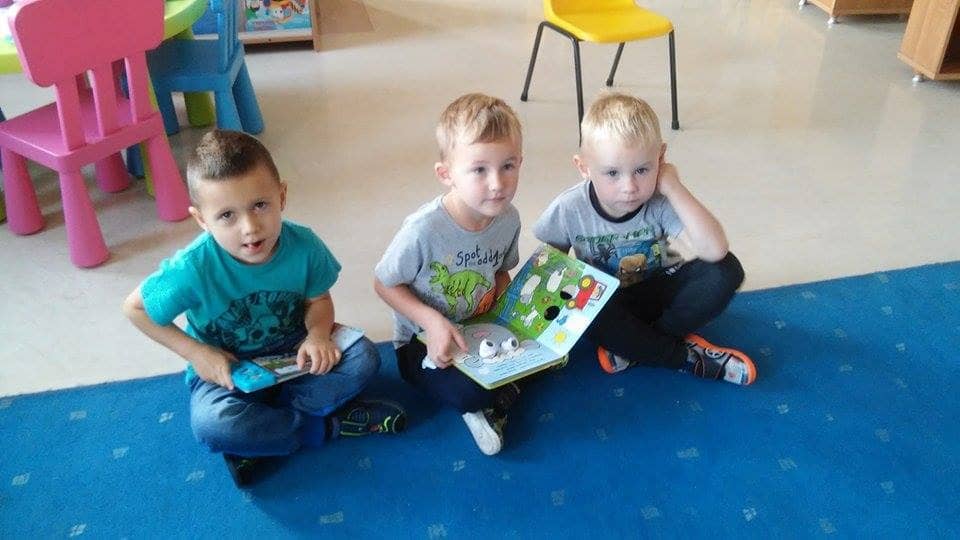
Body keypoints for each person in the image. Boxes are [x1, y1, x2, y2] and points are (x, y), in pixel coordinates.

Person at [123, 130, 405, 487]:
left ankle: (261, 437)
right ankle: (327, 426)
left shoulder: (304, 245)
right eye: (227, 215)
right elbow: (135, 309)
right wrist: (197, 353)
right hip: (228, 366)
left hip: (294, 349)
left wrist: (318, 335)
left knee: (364, 357)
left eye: (260, 205)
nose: (250, 227)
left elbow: (318, 300)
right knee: (212, 424)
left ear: (281, 196)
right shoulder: (192, 267)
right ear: (201, 220)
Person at [533, 92, 756, 385]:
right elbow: (549, 268)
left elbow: (714, 250)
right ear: (583, 167)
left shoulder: (660, 201)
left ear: (660, 158)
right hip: (607, 303)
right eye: (612, 173)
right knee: (579, 307)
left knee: (726, 270)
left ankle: (639, 346)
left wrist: (674, 187)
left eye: (642, 170)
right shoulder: (569, 208)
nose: (630, 187)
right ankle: (682, 357)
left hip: (658, 293)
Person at [374, 93, 524, 455]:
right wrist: (432, 321)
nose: (497, 183)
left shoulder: (509, 218)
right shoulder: (422, 230)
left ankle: (501, 390)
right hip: (421, 343)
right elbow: (384, 283)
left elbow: (501, 273)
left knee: (549, 354)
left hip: (480, 330)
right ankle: (489, 403)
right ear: (446, 174)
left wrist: (514, 321)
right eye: (479, 170)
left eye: (508, 166)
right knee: (469, 393)